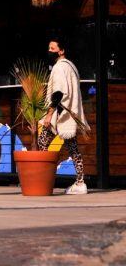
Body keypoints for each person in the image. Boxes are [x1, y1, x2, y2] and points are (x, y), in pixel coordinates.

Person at [39, 37, 89, 195]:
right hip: (68, 114)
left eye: (52, 48)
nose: (49, 51)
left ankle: (45, 180)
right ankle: (80, 182)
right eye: (49, 48)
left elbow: (59, 92)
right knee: (73, 148)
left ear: (61, 51)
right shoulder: (71, 66)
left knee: (42, 142)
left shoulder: (60, 67)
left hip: (61, 114)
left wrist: (49, 115)